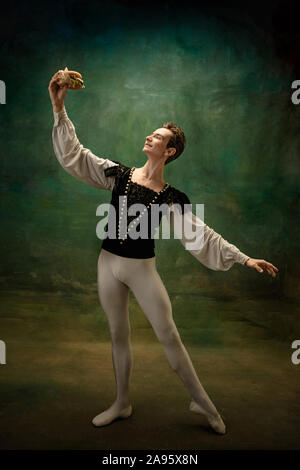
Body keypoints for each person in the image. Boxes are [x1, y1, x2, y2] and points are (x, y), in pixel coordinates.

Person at [48, 70, 279, 435]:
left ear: (169, 151)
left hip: (141, 269)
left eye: (157, 137)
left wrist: (243, 257)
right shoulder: (118, 174)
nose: (149, 136)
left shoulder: (171, 198)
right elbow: (77, 157)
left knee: (169, 335)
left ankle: (202, 401)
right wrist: (60, 109)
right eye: (151, 133)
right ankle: (122, 403)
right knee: (117, 334)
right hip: (106, 264)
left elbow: (200, 234)